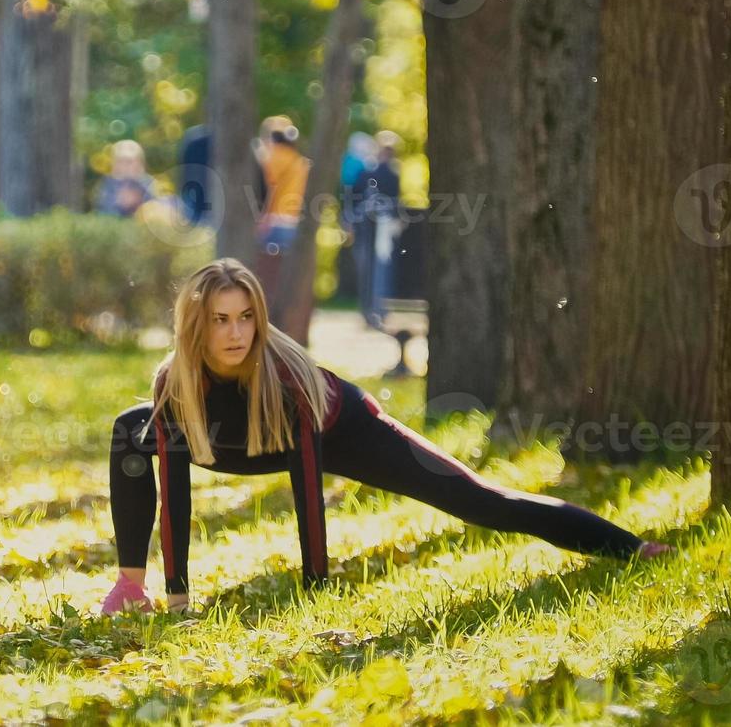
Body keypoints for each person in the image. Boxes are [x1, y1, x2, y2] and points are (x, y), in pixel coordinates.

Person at [99, 259, 672, 614]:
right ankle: (130, 587)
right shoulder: (176, 383)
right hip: (229, 445)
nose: (236, 332)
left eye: (246, 316)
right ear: (197, 325)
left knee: (481, 501)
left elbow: (307, 483)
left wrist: (315, 586)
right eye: (221, 319)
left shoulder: (286, 376)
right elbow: (174, 486)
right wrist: (178, 600)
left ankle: (631, 547)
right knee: (132, 429)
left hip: (343, 434)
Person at [345, 130, 403, 329]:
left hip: (368, 231)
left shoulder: (367, 172)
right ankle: (377, 311)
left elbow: (353, 200)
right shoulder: (391, 174)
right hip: (377, 231)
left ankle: (370, 310)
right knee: (379, 271)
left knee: (369, 271)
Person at [256, 116, 307, 256]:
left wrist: (262, 217)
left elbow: (269, 187)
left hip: (272, 222)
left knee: (264, 268)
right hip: (292, 222)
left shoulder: (272, 158)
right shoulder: (300, 161)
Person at [96, 140, 156, 218]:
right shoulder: (109, 184)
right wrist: (120, 204)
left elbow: (154, 209)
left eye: (129, 161)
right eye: (120, 161)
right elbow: (102, 212)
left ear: (139, 163)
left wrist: (138, 203)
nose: (124, 166)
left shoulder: (147, 183)